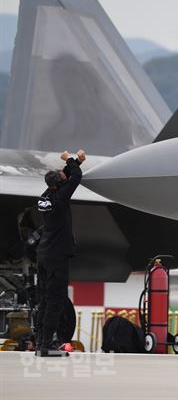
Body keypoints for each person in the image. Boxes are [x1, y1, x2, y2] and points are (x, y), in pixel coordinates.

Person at [35, 149, 86, 356]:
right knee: (56, 299)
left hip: (44, 254)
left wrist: (77, 162)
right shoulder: (60, 199)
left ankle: (40, 343)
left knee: (44, 300)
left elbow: (65, 178)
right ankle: (47, 345)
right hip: (57, 256)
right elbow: (75, 177)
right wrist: (70, 159)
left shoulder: (46, 197)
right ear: (59, 183)